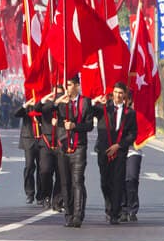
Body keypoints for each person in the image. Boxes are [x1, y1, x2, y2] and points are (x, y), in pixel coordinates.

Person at [91, 82, 137, 225]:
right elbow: (87, 110)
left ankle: (114, 214)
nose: (118, 95)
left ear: (125, 95)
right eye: (116, 92)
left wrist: (119, 145)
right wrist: (94, 101)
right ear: (112, 93)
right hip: (104, 151)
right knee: (105, 182)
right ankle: (109, 206)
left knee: (118, 182)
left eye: (121, 93)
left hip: (119, 152)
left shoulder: (129, 113)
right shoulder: (103, 108)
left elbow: (132, 134)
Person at [57, 75, 93, 228]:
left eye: (70, 84)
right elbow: (45, 110)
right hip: (63, 147)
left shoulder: (85, 102)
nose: (68, 87)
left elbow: (89, 125)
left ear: (77, 85)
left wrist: (74, 126)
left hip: (79, 147)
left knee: (77, 181)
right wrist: (58, 102)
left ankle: (78, 215)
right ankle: (69, 214)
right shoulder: (61, 102)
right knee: (65, 182)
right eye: (66, 84)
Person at [14, 94, 46, 205]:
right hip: (29, 138)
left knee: (42, 168)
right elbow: (16, 113)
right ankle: (29, 193)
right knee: (29, 166)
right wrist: (26, 105)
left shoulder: (43, 103)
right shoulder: (27, 104)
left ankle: (41, 195)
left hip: (42, 138)